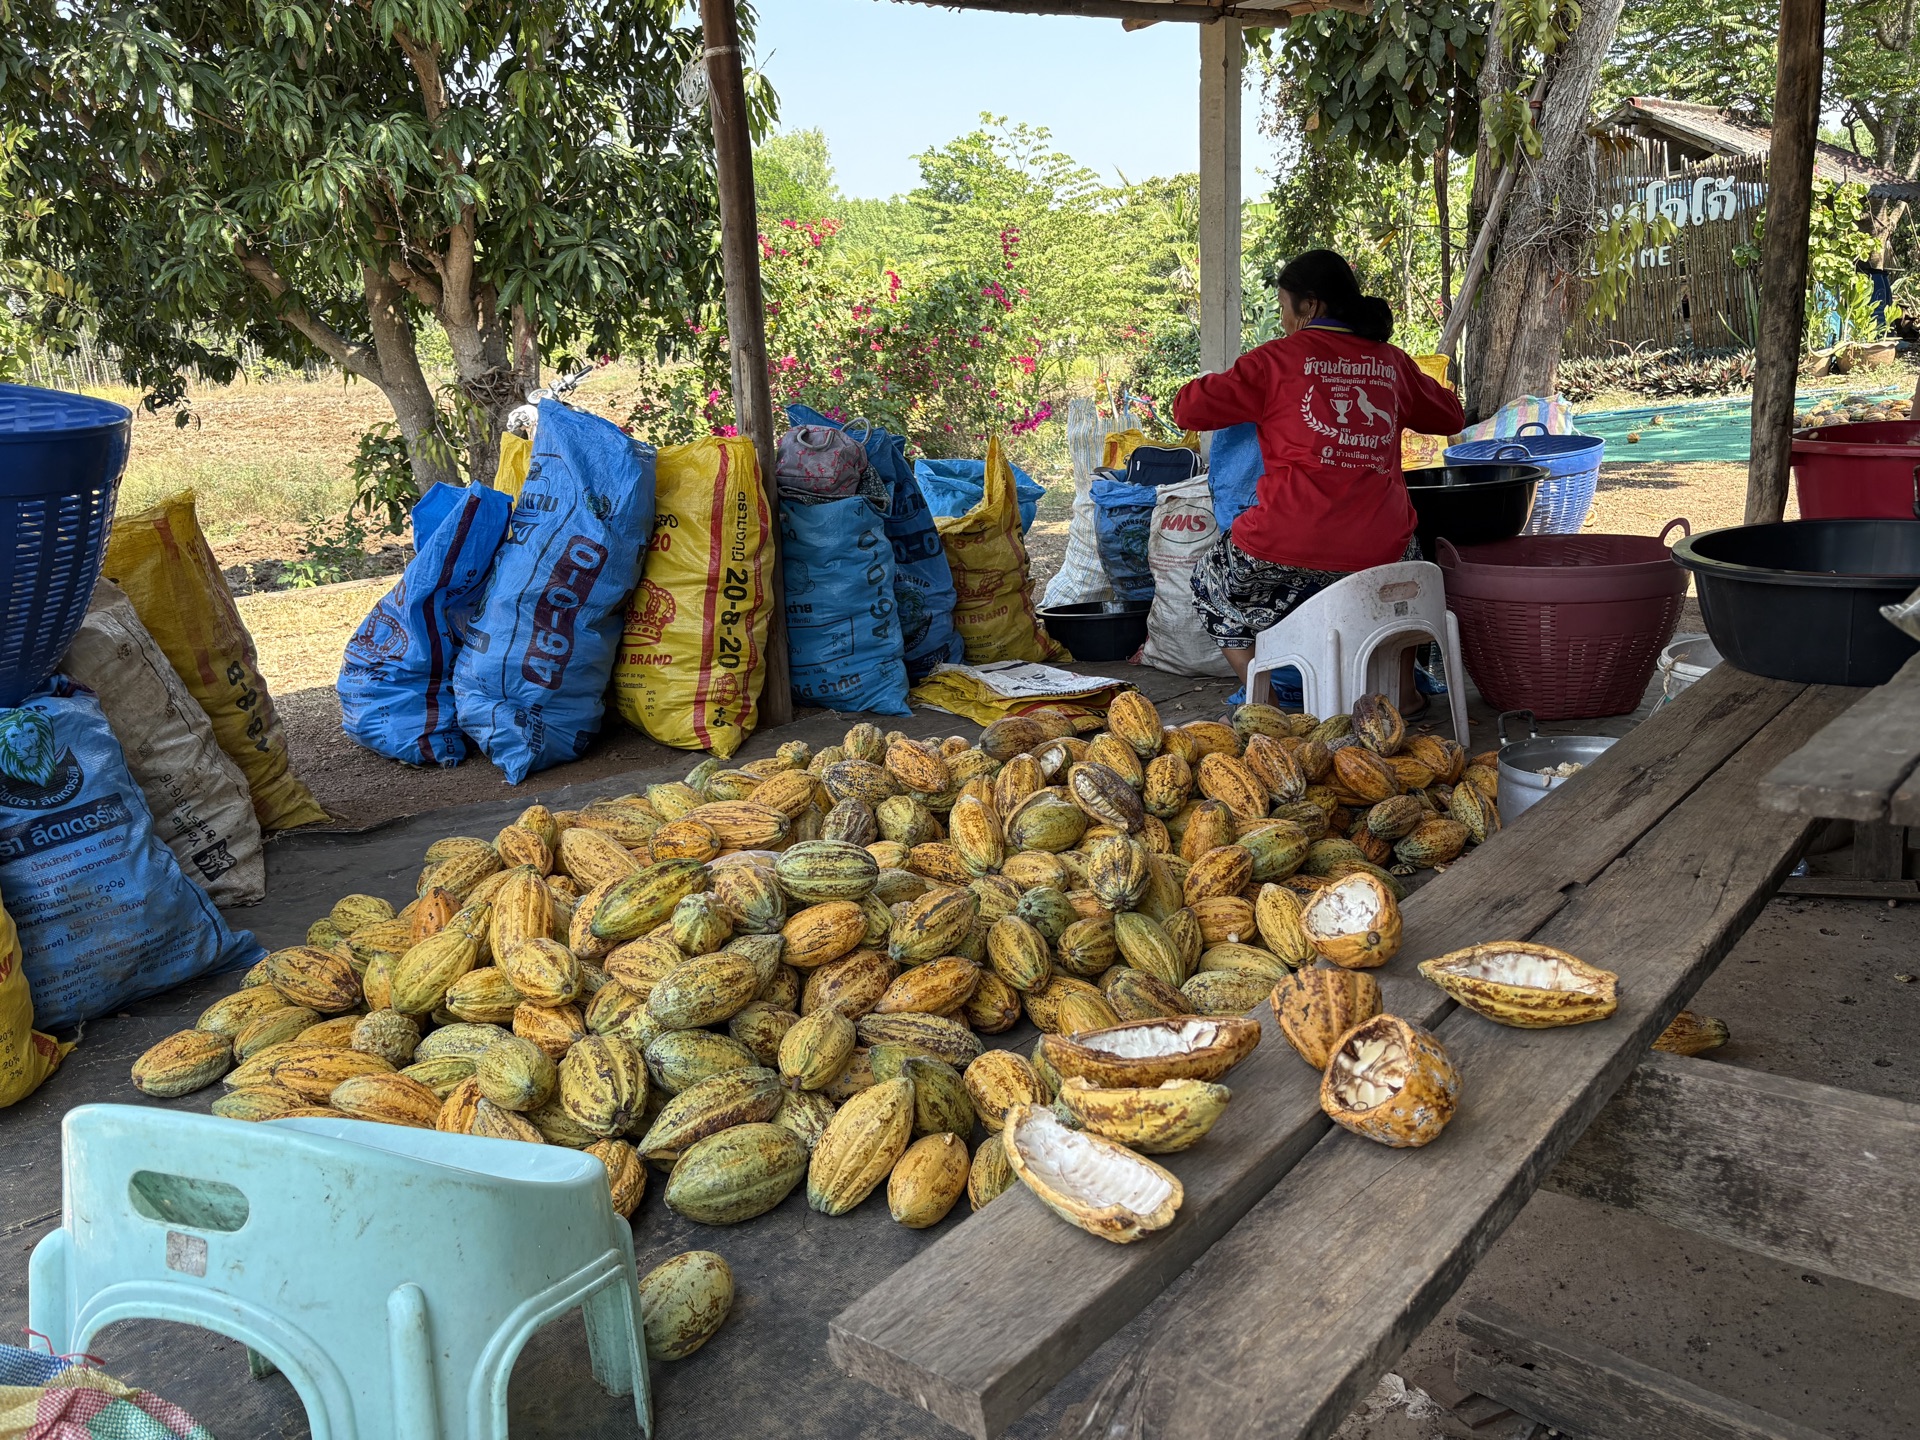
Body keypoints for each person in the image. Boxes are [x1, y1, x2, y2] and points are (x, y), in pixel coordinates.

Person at [1173, 249, 1466, 699]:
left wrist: (1225, 380)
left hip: (1285, 542)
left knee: (1209, 584)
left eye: (1284, 309)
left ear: (1310, 305)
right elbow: (1450, 416)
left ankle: (1263, 701)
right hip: (1379, 548)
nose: (1284, 321)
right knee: (1407, 575)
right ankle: (1404, 698)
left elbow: (1187, 408)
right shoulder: (1391, 362)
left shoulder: (1273, 361)